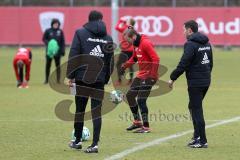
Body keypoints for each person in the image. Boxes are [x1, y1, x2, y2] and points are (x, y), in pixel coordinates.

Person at [66, 10, 114, 153]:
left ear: (89, 19)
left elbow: (74, 54)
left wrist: (71, 75)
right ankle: (94, 145)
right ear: (101, 20)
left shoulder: (80, 33)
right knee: (96, 112)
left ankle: (78, 141)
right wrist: (104, 79)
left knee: (79, 110)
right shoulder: (108, 38)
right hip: (99, 79)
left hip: (82, 78)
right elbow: (110, 61)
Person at [168, 20, 213, 148]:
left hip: (196, 82)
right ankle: (197, 136)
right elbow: (210, 63)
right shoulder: (207, 43)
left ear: (189, 30)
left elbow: (184, 63)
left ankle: (202, 140)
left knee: (197, 109)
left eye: (184, 29)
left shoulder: (190, 44)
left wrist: (172, 78)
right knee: (192, 106)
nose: (183, 32)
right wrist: (206, 76)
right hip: (205, 80)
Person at [120, 26, 160, 133]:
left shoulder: (145, 43)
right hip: (141, 75)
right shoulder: (135, 44)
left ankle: (146, 127)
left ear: (133, 36)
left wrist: (152, 75)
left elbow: (156, 58)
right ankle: (137, 121)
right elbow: (134, 58)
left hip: (149, 76)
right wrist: (124, 66)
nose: (127, 42)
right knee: (129, 96)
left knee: (141, 100)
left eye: (128, 40)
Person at [42, 18, 65, 84]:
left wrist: (63, 51)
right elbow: (44, 39)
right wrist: (49, 44)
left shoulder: (60, 32)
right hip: (49, 52)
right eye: (54, 24)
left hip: (57, 52)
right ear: (52, 24)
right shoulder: (48, 31)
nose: (56, 25)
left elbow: (62, 42)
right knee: (48, 65)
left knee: (58, 66)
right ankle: (46, 80)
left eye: (57, 24)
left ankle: (58, 80)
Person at [115, 18, 135, 86]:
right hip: (132, 50)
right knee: (130, 65)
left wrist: (121, 21)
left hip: (125, 50)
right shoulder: (133, 29)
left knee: (118, 64)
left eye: (128, 21)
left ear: (129, 22)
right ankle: (131, 80)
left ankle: (119, 80)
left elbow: (117, 27)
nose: (127, 21)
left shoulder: (125, 28)